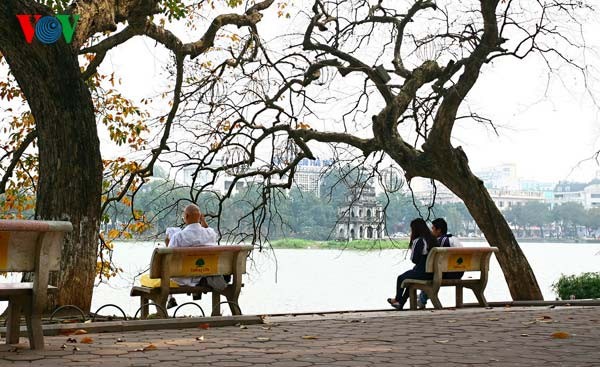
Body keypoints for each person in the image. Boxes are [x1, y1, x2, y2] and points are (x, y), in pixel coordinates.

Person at [164, 204, 227, 308]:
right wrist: (203, 221)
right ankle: (197, 285)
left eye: (183, 216)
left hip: (183, 277)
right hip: (205, 272)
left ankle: (170, 299)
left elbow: (168, 260)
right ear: (200, 216)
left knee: (163, 274)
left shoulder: (179, 236)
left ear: (187, 216)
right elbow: (209, 230)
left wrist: (167, 244)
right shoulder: (210, 234)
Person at [387, 218, 439, 310]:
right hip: (434, 273)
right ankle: (400, 303)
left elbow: (415, 260)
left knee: (401, 278)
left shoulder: (419, 241)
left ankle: (397, 299)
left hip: (423, 272)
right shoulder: (433, 239)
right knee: (410, 280)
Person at [417, 218, 463, 309]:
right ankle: (422, 297)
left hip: (447, 273)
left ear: (439, 230)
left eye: (433, 228)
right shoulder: (455, 239)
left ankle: (422, 299)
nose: (431, 231)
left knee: (429, 274)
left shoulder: (439, 241)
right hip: (459, 272)